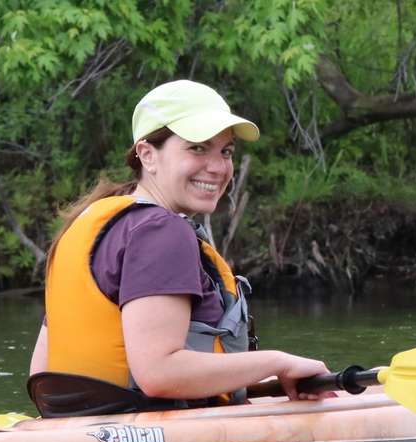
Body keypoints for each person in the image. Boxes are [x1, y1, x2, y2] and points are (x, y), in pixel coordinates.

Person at [28, 80, 330, 413]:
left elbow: (42, 374)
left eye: (225, 151)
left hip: (74, 425)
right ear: (147, 155)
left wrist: (260, 380)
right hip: (151, 436)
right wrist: (278, 363)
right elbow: (159, 374)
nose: (217, 167)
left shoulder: (90, 224)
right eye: (198, 148)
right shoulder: (161, 231)